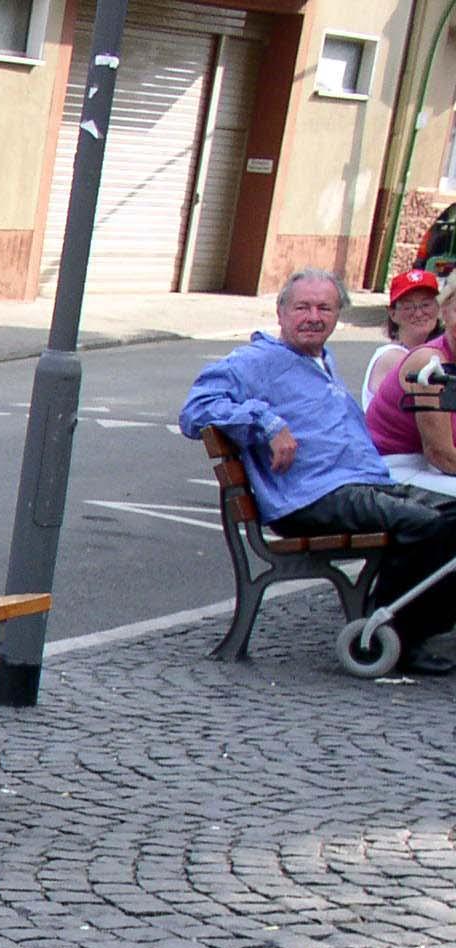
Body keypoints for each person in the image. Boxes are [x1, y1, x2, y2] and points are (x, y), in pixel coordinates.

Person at [180, 267, 456, 673]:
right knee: (431, 526)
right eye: (302, 307)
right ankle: (394, 635)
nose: (313, 316)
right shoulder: (258, 360)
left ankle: (398, 624)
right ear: (281, 312)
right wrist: (267, 423)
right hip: (312, 497)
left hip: (357, 484)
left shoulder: (320, 360)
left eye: (324, 308)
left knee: (449, 517)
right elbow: (195, 410)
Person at [369, 270, 456, 498]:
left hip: (431, 470)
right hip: (394, 468)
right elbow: (440, 454)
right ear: (444, 312)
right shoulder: (429, 361)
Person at [361, 267, 443, 403]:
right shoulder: (394, 357)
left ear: (438, 308)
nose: (418, 313)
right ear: (392, 313)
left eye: (426, 305)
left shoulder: (425, 351)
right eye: (408, 307)